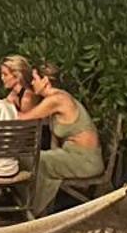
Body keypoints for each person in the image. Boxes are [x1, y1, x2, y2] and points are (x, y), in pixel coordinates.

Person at [17, 62, 104, 214]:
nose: (31, 83)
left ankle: (31, 209)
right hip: (72, 156)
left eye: (35, 79)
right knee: (33, 158)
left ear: (45, 81)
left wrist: (6, 105)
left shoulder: (56, 100)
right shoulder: (55, 98)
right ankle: (30, 206)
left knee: (29, 159)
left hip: (85, 160)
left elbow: (24, 118)